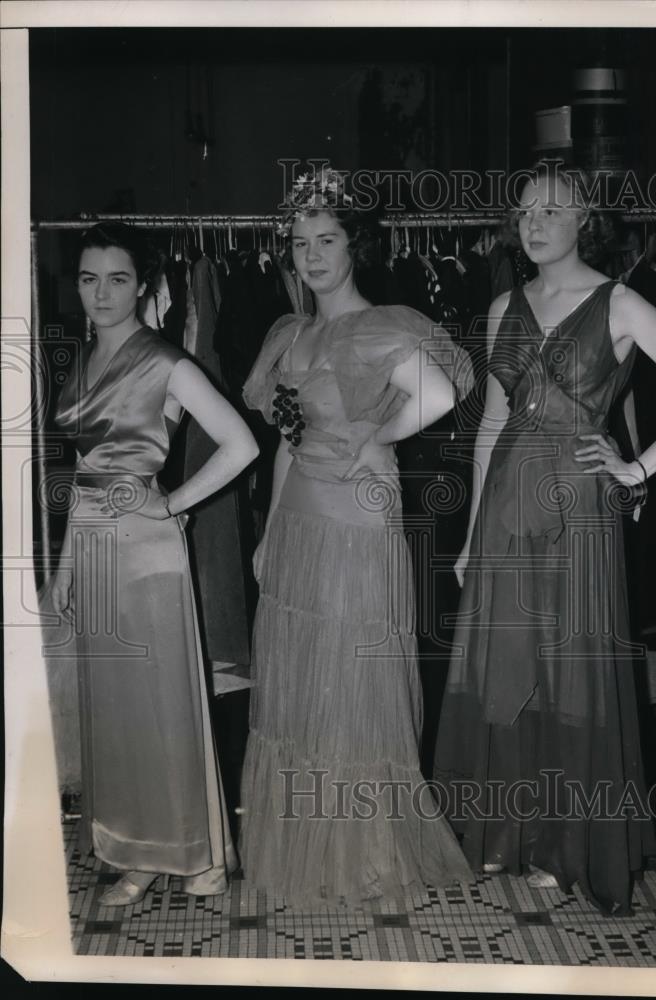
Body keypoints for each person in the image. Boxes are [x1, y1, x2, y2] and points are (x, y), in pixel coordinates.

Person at [433, 161, 656, 916]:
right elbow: (493, 427)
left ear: (583, 219)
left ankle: (569, 849)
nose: (534, 222)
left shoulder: (621, 303)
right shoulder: (502, 306)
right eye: (525, 209)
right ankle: (511, 834)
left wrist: (635, 469)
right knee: (506, 662)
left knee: (570, 671)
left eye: (553, 210)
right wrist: (468, 538)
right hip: (503, 504)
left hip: (577, 508)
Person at [238, 169, 474, 905]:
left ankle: (366, 853)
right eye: (301, 242)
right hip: (302, 513)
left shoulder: (381, 325)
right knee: (303, 682)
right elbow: (285, 441)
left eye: (327, 240)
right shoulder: (290, 331)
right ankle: (309, 847)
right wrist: (269, 533)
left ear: (353, 245)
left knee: (353, 679)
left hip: (360, 516)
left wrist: (375, 434)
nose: (312, 256)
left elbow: (447, 390)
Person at [50, 223, 259, 907]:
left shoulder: (168, 364)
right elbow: (83, 473)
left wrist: (173, 505)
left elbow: (240, 445)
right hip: (92, 547)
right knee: (116, 714)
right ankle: (136, 851)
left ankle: (197, 853)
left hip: (146, 553)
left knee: (165, 708)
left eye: (116, 278)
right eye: (89, 278)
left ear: (143, 286)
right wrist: (65, 569)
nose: (101, 292)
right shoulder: (80, 362)